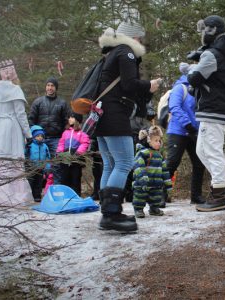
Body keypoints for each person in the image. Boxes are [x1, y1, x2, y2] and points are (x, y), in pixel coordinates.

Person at [94, 20, 162, 232]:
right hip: (115, 115)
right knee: (123, 163)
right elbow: (129, 84)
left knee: (110, 164)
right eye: (139, 38)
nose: (140, 42)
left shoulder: (111, 53)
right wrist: (149, 86)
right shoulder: (126, 53)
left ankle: (106, 212)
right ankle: (112, 213)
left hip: (101, 114)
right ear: (133, 37)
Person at [186, 15, 225, 212]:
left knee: (212, 151)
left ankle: (219, 197)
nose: (202, 34)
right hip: (218, 107)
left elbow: (194, 79)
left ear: (211, 31)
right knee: (202, 151)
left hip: (214, 108)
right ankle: (223, 188)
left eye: (204, 30)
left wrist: (187, 68)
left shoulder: (213, 54)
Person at [165, 63, 206, 205]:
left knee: (199, 163)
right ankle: (160, 195)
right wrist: (188, 125)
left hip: (194, 131)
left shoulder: (199, 89)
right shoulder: (180, 87)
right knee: (172, 163)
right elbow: (174, 107)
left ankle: (196, 196)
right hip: (178, 131)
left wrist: (198, 129)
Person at [132, 126, 172, 218]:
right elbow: (138, 166)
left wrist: (168, 183)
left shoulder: (159, 155)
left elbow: (164, 170)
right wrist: (142, 177)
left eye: (159, 140)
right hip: (142, 182)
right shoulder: (142, 152)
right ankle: (138, 209)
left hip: (156, 183)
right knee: (140, 197)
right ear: (148, 140)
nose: (158, 143)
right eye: (156, 141)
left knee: (156, 197)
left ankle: (154, 208)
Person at [28, 77, 70, 158]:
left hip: (56, 139)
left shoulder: (62, 103)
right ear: (45, 87)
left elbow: (66, 122)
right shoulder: (38, 102)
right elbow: (31, 120)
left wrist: (64, 138)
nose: (50, 88)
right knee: (39, 165)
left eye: (52, 86)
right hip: (39, 139)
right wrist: (33, 135)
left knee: (57, 163)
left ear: (56, 88)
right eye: (48, 85)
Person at [55, 113, 90, 195]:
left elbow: (84, 143)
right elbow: (61, 143)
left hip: (76, 160)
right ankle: (65, 196)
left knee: (76, 178)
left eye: (72, 117)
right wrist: (59, 152)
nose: (69, 119)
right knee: (64, 178)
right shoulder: (65, 132)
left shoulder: (82, 133)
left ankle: (76, 196)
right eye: (69, 117)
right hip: (65, 159)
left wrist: (78, 153)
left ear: (77, 120)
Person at [25, 125, 51, 202]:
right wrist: (26, 147)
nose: (40, 137)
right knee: (30, 182)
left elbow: (47, 157)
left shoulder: (45, 146)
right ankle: (29, 196)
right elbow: (24, 154)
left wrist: (47, 167)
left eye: (41, 136)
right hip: (31, 168)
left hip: (40, 168)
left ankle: (37, 196)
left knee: (39, 183)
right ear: (33, 136)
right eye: (38, 136)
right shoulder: (30, 145)